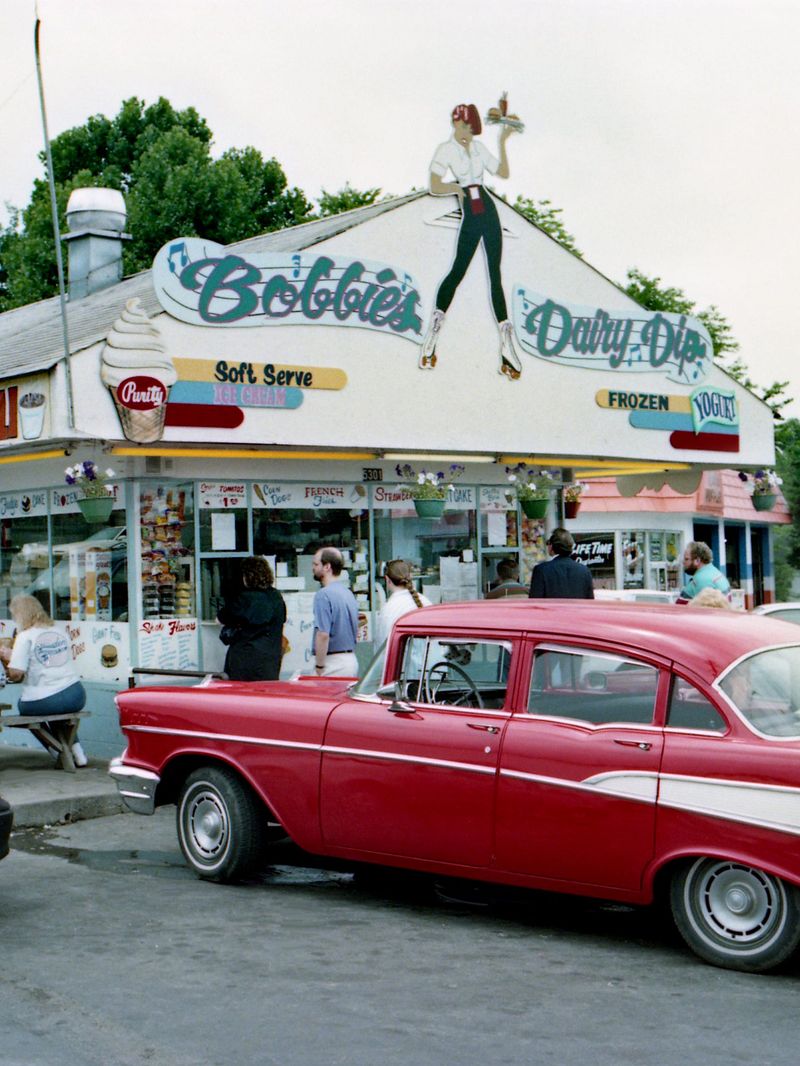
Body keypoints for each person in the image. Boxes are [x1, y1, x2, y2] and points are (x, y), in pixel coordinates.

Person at [420, 101, 522, 379]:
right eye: (464, 126)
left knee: (495, 274)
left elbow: (502, 173)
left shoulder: (477, 148)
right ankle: (434, 331)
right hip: (469, 204)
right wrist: (455, 187)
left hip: (486, 207)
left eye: (471, 128)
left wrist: (502, 141)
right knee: (458, 270)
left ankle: (506, 343)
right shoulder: (446, 150)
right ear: (455, 123)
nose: (466, 132)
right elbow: (434, 184)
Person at [0, 594, 88, 766]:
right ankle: (78, 754)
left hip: (47, 700)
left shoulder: (25, 636)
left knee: (27, 708)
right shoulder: (59, 631)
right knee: (58, 713)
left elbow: (16, 674)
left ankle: (57, 752)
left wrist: (7, 657)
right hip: (76, 694)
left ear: (21, 615)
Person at [217, 556, 286, 681]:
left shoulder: (244, 599)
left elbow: (221, 618)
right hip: (270, 662)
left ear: (246, 576)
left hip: (243, 662)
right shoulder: (276, 596)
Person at [311, 546, 359, 677]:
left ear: (327, 567)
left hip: (332, 661)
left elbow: (323, 634)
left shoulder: (323, 595)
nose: (313, 568)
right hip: (350, 659)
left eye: (316, 564)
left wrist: (319, 665)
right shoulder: (348, 593)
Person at [375, 559, 431, 645]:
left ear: (387, 580)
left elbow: (382, 647)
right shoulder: (426, 602)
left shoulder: (388, 609)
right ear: (411, 576)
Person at [529, 528, 594, 599]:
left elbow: (535, 602)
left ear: (552, 546)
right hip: (578, 610)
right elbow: (590, 601)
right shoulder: (585, 571)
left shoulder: (541, 570)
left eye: (548, 543)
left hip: (551, 609)